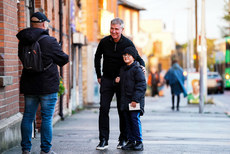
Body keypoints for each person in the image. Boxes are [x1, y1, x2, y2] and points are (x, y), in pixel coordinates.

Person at [16, 12, 69, 154]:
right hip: (48, 85)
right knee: (46, 118)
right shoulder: (49, 41)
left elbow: (22, 58)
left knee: (28, 116)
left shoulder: (23, 40)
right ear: (44, 24)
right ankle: (45, 150)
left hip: (29, 84)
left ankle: (25, 149)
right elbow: (63, 59)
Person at [94, 17, 145, 150]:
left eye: (117, 29)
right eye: (112, 28)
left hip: (122, 81)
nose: (114, 31)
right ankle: (103, 140)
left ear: (122, 29)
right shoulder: (104, 42)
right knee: (103, 109)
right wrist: (99, 75)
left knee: (122, 110)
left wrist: (142, 66)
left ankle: (123, 139)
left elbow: (137, 57)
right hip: (106, 80)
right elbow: (97, 57)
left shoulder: (127, 43)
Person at [118, 47, 146, 151]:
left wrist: (135, 99)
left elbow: (142, 85)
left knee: (134, 120)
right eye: (124, 55)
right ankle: (131, 141)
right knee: (127, 121)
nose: (126, 57)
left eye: (128, 55)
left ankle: (139, 142)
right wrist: (117, 81)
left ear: (133, 57)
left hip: (134, 102)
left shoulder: (137, 69)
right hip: (125, 101)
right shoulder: (123, 69)